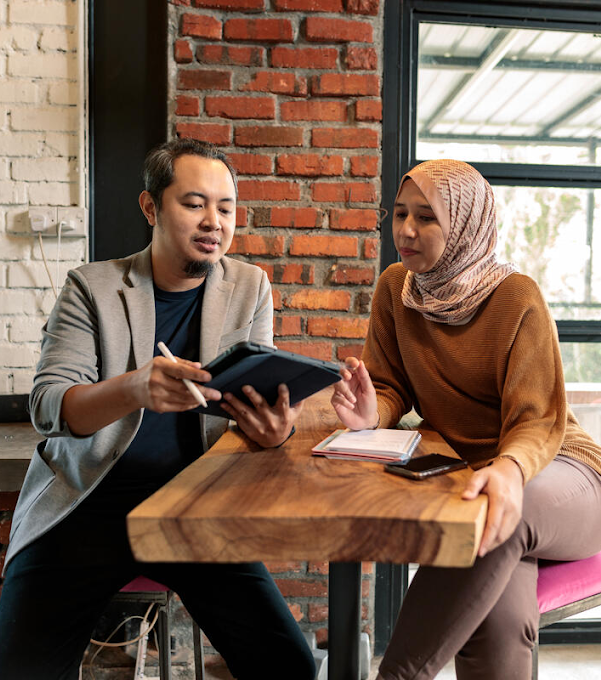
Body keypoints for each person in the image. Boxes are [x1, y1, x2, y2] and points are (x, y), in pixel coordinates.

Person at [0, 138, 314, 680]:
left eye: (225, 207)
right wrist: (134, 389)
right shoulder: (91, 287)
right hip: (88, 505)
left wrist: (274, 431)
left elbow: (254, 406)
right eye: (194, 204)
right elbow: (49, 407)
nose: (213, 221)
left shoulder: (250, 287)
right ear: (151, 208)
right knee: (19, 669)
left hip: (194, 508)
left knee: (289, 666)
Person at [332, 159, 601, 680]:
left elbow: (536, 420)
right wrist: (374, 411)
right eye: (400, 213)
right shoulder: (398, 289)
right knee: (498, 623)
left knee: (497, 510)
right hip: (480, 484)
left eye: (427, 218)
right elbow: (390, 386)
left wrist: (509, 470)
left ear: (467, 224)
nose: (406, 231)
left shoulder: (516, 297)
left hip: (563, 474)